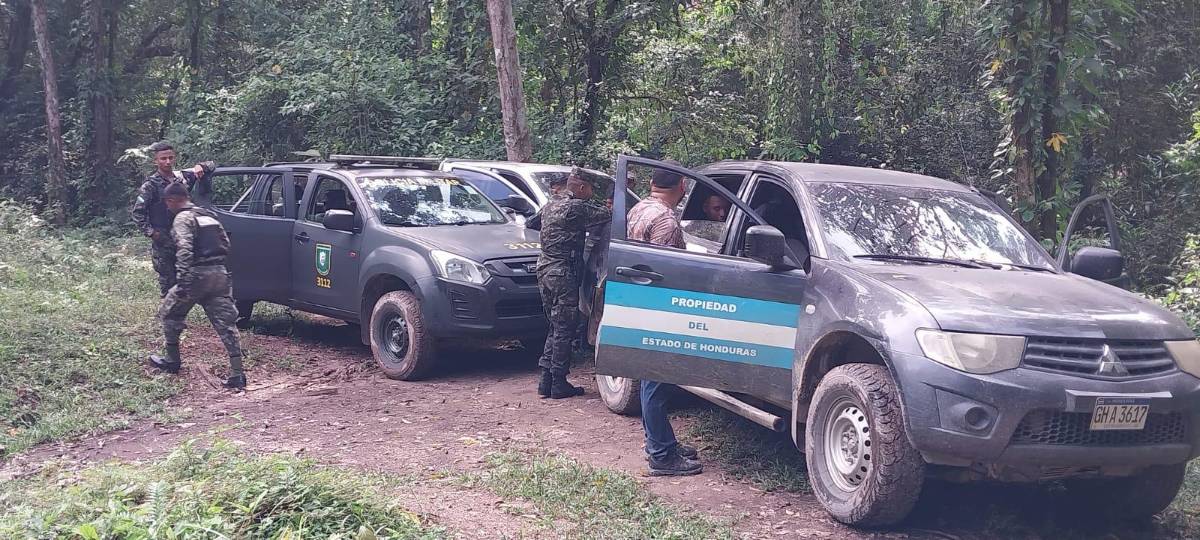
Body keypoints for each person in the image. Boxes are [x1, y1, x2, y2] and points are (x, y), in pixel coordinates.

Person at [627, 160, 703, 476]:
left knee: (649, 378)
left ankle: (661, 442)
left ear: (652, 183)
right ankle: (661, 455)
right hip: (659, 309)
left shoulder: (638, 209)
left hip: (637, 303)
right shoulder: (667, 222)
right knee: (656, 381)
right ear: (682, 186)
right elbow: (666, 272)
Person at [148, 182, 247, 390]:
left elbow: (184, 249)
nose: (168, 207)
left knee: (169, 313)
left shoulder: (183, 218)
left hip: (196, 276)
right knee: (226, 324)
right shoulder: (208, 216)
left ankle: (172, 361)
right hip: (219, 275)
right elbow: (226, 244)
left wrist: (183, 280)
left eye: (168, 203)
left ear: (171, 200)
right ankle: (238, 373)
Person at [529, 168, 612, 399]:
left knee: (555, 325)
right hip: (562, 273)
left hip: (544, 270)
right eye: (590, 190)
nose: (591, 194)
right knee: (565, 327)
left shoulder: (550, 206)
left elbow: (531, 223)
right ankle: (558, 382)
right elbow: (608, 215)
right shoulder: (576, 207)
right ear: (582, 188)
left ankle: (545, 380)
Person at [131, 141, 215, 297]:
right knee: (168, 284)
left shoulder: (183, 178)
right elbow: (138, 213)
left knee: (187, 281)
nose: (167, 162)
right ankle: (168, 318)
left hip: (185, 236)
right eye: (163, 158)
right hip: (164, 240)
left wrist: (201, 166)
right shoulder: (150, 185)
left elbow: (211, 166)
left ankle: (179, 317)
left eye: (170, 157)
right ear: (155, 161)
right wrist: (152, 233)